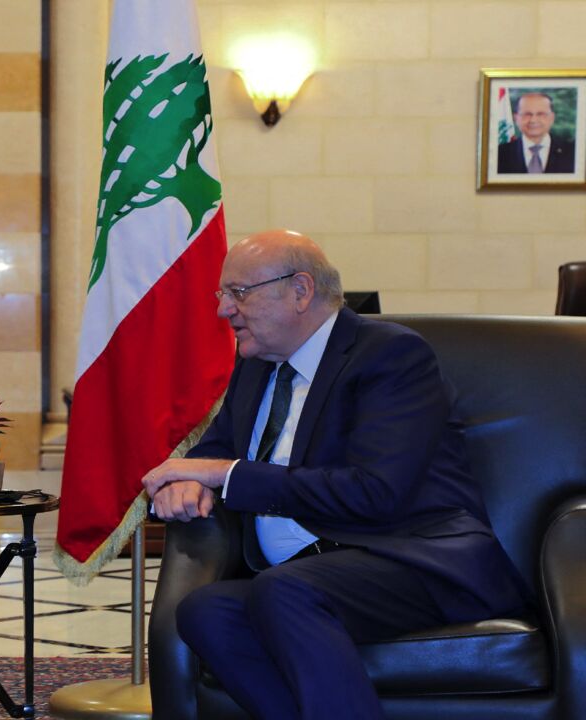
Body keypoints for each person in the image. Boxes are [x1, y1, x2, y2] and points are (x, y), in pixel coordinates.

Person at [143, 230, 526, 720]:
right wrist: (190, 480)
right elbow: (218, 448)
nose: (223, 310)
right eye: (222, 294)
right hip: (305, 575)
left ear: (301, 290)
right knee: (205, 611)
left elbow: (375, 492)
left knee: (285, 590)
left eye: (238, 292)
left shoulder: (390, 356)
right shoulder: (257, 365)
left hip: (411, 560)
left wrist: (223, 473)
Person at [497, 92, 576, 173]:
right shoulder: (499, 154)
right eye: (527, 114)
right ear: (516, 118)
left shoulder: (574, 152)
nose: (533, 120)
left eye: (541, 114)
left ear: (552, 118)